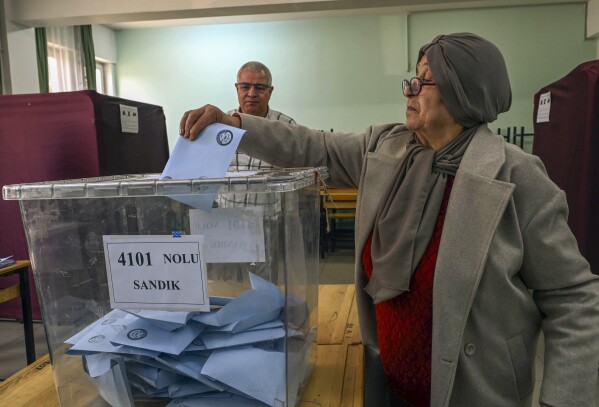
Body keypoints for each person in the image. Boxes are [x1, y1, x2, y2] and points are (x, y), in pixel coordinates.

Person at [179, 33, 599, 407]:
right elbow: (313, 145)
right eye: (411, 80)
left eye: (423, 80)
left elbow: (575, 298)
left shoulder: (518, 176)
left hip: (474, 391)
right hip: (388, 382)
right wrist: (233, 124)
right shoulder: (387, 147)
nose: (409, 90)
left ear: (463, 91)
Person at [228, 61, 296, 170]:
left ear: (270, 91)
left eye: (259, 88)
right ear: (237, 89)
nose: (251, 94)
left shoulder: (288, 127)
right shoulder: (222, 126)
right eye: (245, 87)